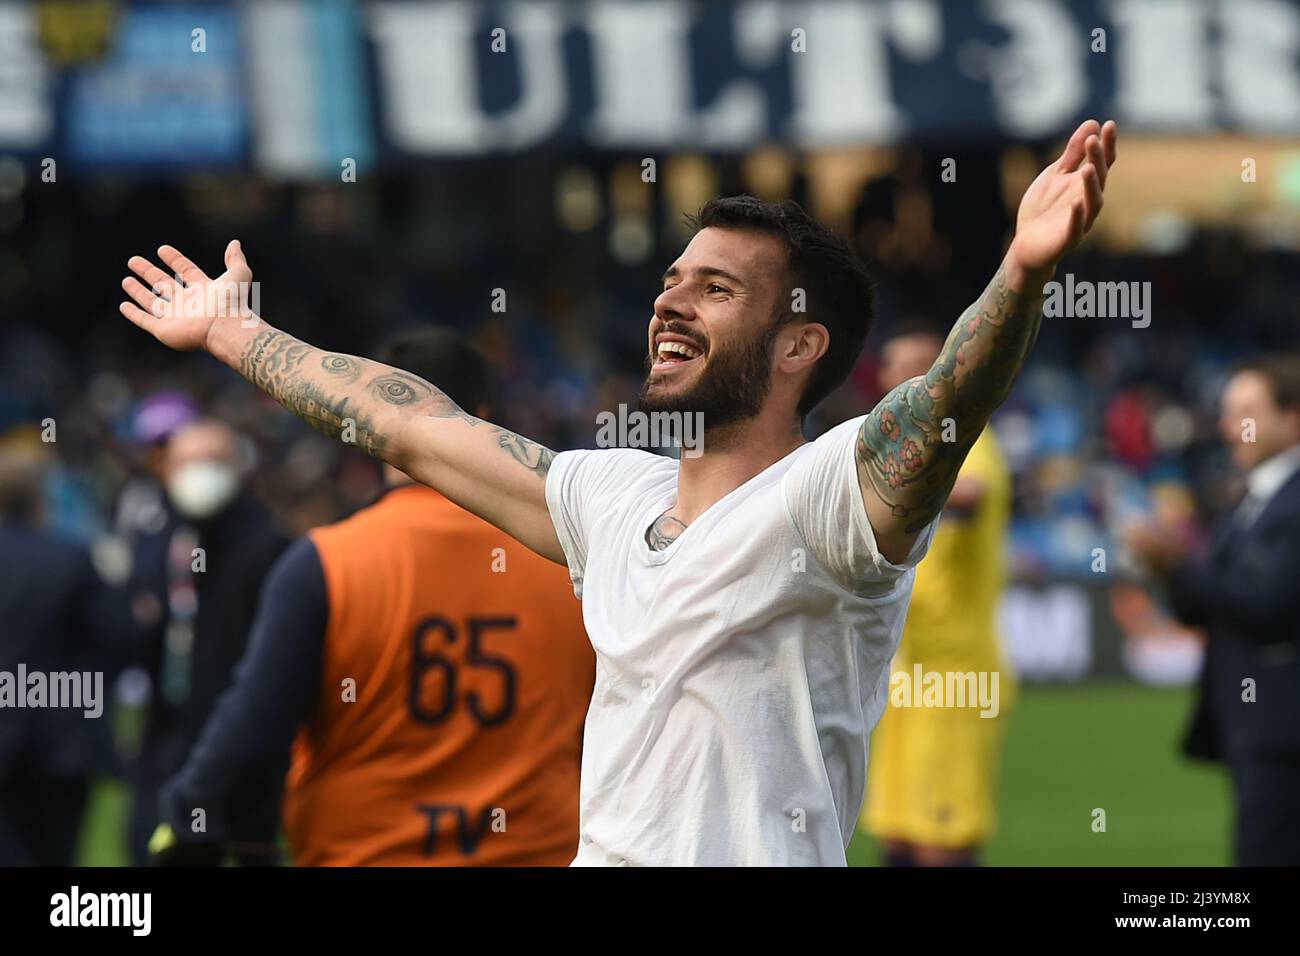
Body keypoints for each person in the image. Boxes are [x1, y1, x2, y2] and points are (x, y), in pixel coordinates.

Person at [119, 119, 1117, 865]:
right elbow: (410, 423)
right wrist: (236, 335)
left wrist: (1020, 276)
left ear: (798, 346)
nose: (669, 301)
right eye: (673, 280)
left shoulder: (825, 504)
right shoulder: (609, 496)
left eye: (716, 289)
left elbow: (942, 403)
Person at [151, 329, 594, 866]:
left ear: (363, 419)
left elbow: (248, 736)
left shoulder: (325, 562)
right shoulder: (573, 564)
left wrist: (189, 816)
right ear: (486, 420)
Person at [1129, 355, 1300, 866]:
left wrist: (1179, 568)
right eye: (1227, 413)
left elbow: (1270, 606)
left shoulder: (1286, 500)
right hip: (1255, 724)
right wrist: (1168, 572)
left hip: (1282, 728)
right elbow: (1207, 608)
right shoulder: (1251, 497)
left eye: (1246, 412)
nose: (1230, 427)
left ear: (1293, 418)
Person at [860, 322, 1014, 866]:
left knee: (941, 842)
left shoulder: (966, 439)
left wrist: (893, 494)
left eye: (914, 373)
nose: (901, 386)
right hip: (905, 673)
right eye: (892, 372)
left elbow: (973, 493)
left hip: (957, 679)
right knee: (897, 838)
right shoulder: (895, 452)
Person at [124, 418, 288, 865]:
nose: (198, 473)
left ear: (238, 467)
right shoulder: (159, 534)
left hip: (242, 733)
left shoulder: (266, 543)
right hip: (168, 728)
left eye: (210, 461)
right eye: (186, 462)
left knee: (249, 847)